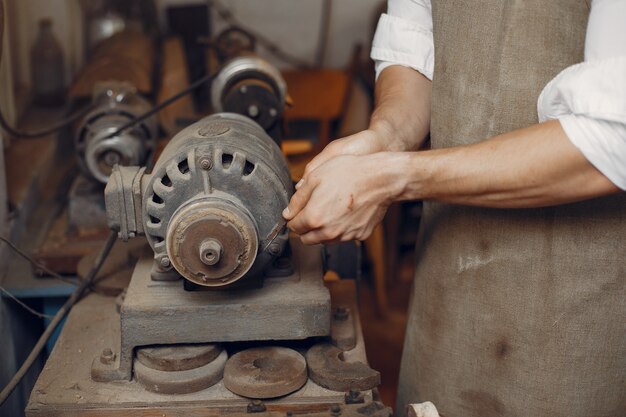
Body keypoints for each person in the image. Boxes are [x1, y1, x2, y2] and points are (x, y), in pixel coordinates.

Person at [283, 0, 626, 416]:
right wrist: (385, 138)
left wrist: (397, 176)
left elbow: (612, 138)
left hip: (577, 296)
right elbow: (413, 46)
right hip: (448, 273)